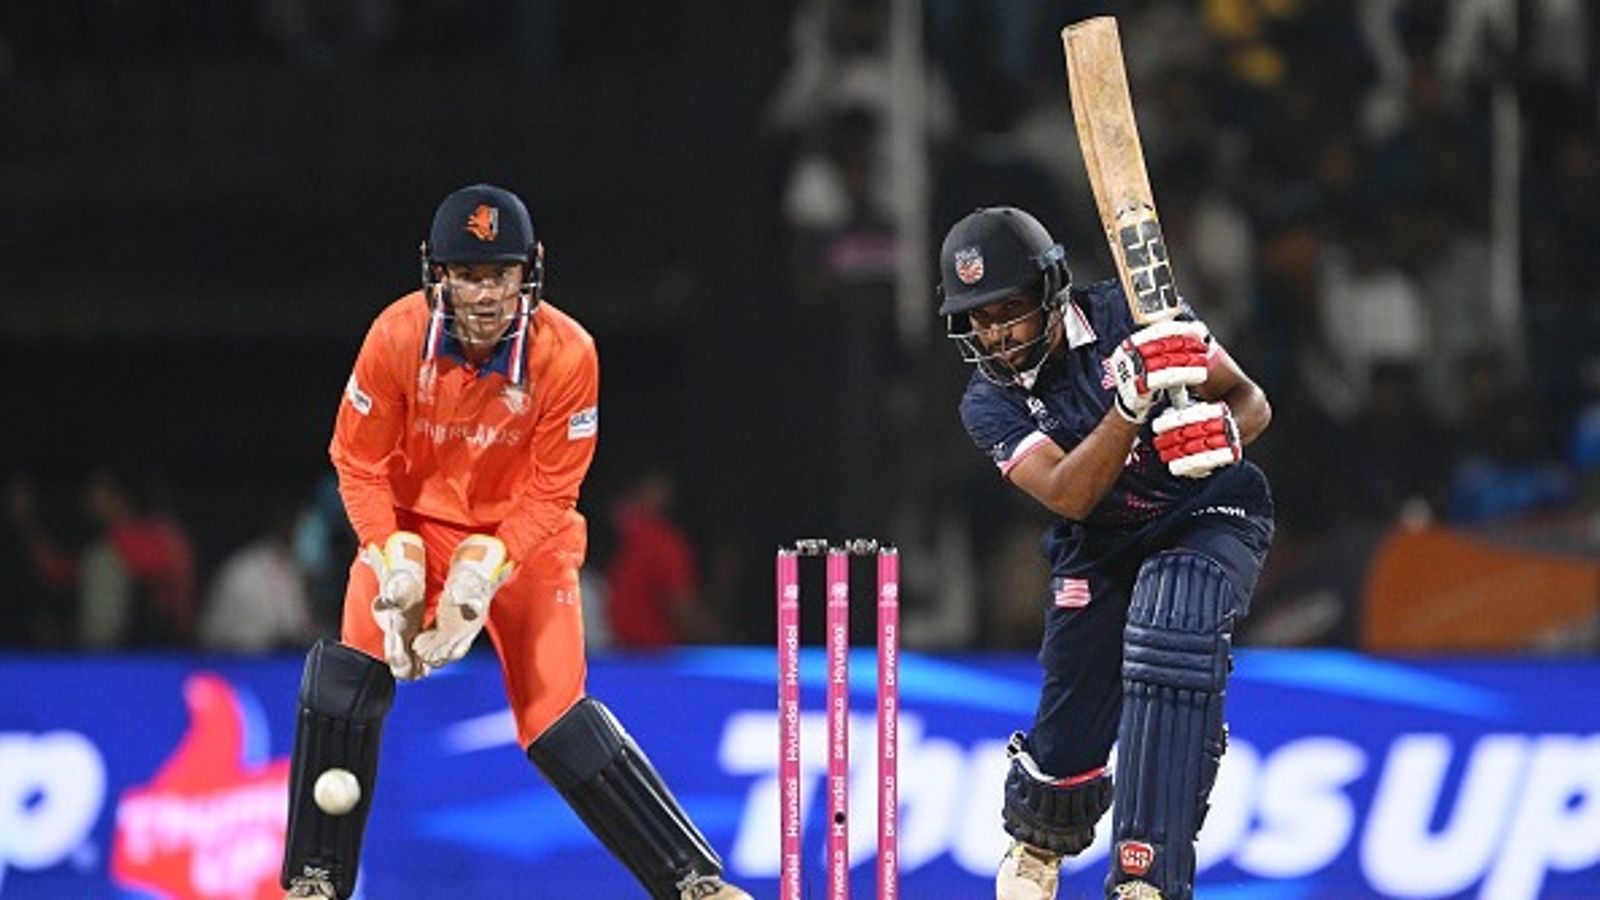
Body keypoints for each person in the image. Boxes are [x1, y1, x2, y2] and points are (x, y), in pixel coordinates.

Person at [279, 184, 749, 900]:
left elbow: (551, 493)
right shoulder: (397, 336)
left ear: (529, 271)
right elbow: (358, 462)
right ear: (436, 274)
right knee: (347, 678)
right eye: (467, 275)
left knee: (556, 718)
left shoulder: (568, 353)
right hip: (415, 526)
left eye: (497, 274)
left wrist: (484, 573)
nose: (484, 295)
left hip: (527, 538)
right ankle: (314, 881)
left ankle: (693, 884)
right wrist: (392, 555)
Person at [935, 208, 1274, 900]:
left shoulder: (1136, 314)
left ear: (1052, 291)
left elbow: (1251, 401)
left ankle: (1146, 875)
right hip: (1100, 540)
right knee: (1071, 707)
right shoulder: (986, 403)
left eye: (1008, 312)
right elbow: (1070, 495)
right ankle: (1038, 841)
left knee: (1171, 631)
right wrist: (1128, 407)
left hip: (1205, 512)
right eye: (978, 319)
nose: (995, 336)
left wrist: (1219, 435)